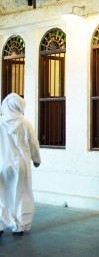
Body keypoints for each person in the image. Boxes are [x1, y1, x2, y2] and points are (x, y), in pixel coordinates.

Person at [0, 93, 41, 237]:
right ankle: (19, 227)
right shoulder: (25, 124)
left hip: (2, 165)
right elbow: (33, 144)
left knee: (2, 195)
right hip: (21, 166)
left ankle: (1, 224)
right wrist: (37, 160)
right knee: (21, 195)